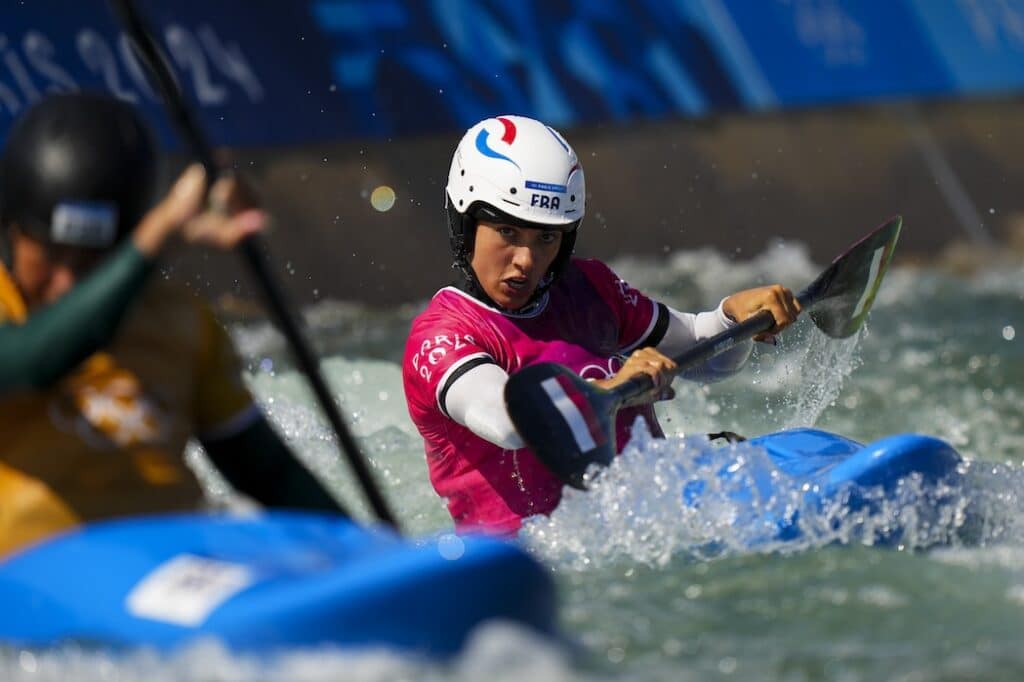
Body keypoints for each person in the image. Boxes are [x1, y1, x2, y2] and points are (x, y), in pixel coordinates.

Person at [402, 115, 802, 536]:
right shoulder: (441, 337)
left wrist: (731, 317)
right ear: (464, 223)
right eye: (507, 231)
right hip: (541, 557)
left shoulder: (589, 287)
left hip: (652, 522)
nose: (526, 260)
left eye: (546, 238)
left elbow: (706, 360)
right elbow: (508, 423)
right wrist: (614, 389)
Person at [0, 91, 346, 557]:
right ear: (12, 228)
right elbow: (28, 364)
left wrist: (380, 558)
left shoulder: (179, 321)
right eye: (51, 255)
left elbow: (270, 477)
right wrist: (160, 235)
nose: (65, 283)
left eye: (92, 262)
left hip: (170, 579)